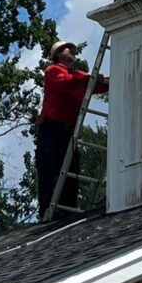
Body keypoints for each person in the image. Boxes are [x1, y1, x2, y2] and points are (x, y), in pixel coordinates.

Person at [35, 40, 109, 220]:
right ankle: (47, 210)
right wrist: (90, 78)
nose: (70, 51)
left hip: (68, 129)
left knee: (71, 167)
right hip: (52, 127)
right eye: (65, 49)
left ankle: (67, 207)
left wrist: (111, 80)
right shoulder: (53, 71)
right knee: (50, 168)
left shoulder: (78, 76)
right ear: (58, 54)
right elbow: (65, 83)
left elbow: (96, 86)